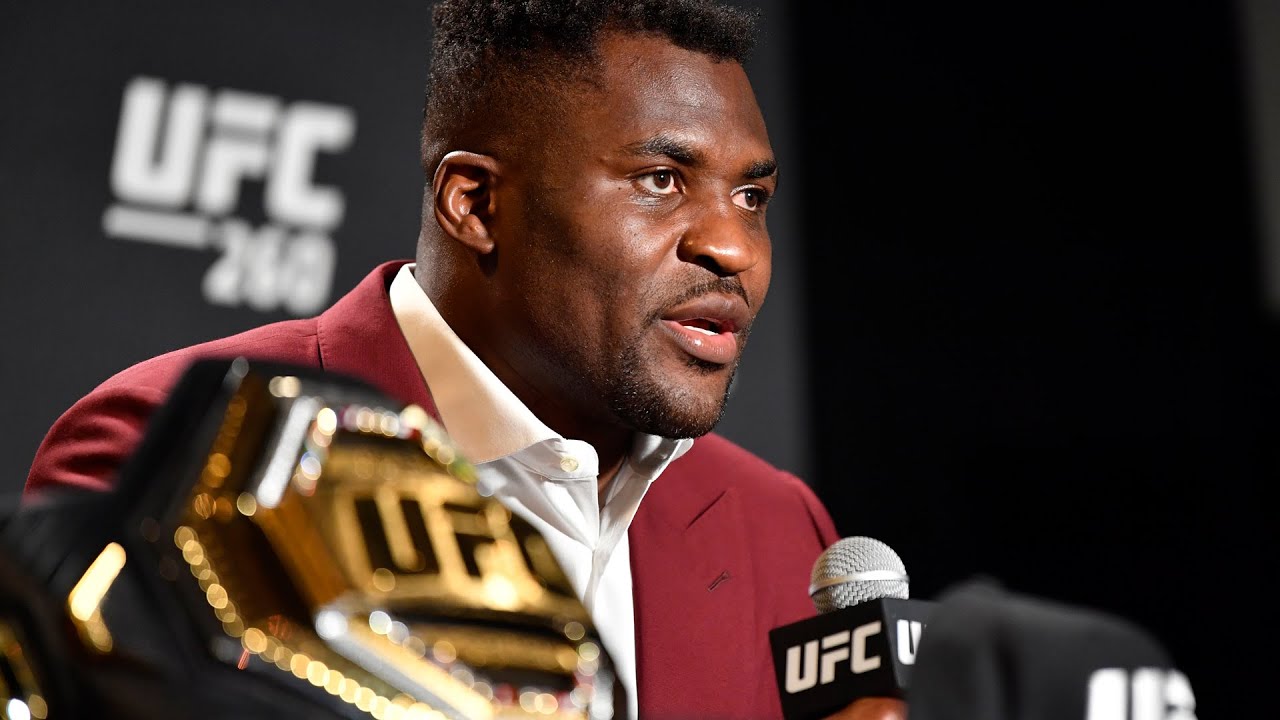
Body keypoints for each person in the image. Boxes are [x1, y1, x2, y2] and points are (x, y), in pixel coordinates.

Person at [25, 2, 898, 718]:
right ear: (474, 204)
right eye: (660, 180)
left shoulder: (778, 528)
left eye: (751, 196)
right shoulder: (183, 450)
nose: (733, 248)